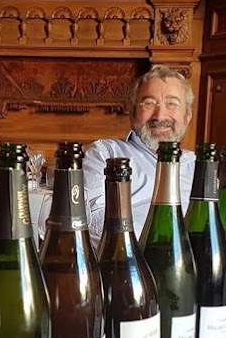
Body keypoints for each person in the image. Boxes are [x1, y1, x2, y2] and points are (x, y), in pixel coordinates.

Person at [83, 65, 196, 245]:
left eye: (172, 103)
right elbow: (95, 224)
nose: (160, 116)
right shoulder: (106, 154)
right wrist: (166, 245)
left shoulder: (198, 166)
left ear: (187, 115)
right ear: (133, 113)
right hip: (131, 267)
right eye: (149, 103)